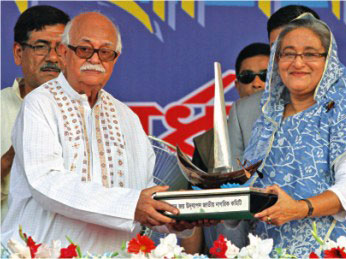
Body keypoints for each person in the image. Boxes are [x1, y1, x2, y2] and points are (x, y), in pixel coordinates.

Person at [1, 12, 205, 254]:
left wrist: (174, 219)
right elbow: (46, 182)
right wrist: (132, 205)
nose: (95, 59)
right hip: (45, 253)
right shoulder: (39, 103)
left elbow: (143, 190)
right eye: (85, 49)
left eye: (105, 52)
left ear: (115, 60)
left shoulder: (126, 116)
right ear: (65, 53)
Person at [243, 14, 346, 256]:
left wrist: (298, 208)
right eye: (289, 53)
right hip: (270, 248)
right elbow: (251, 185)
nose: (298, 63)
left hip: (333, 248)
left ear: (329, 60)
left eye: (310, 54)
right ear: (276, 60)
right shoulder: (267, 118)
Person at [181, 43, 270, 254]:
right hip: (228, 248)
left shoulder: (297, 133)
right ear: (237, 84)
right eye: (248, 77)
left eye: (265, 76)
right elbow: (195, 211)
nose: (257, 83)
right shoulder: (209, 144)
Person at [1, 5, 70, 222]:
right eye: (41, 47)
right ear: (18, 53)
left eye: (62, 48)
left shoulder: (89, 112)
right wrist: (12, 155)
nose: (53, 58)